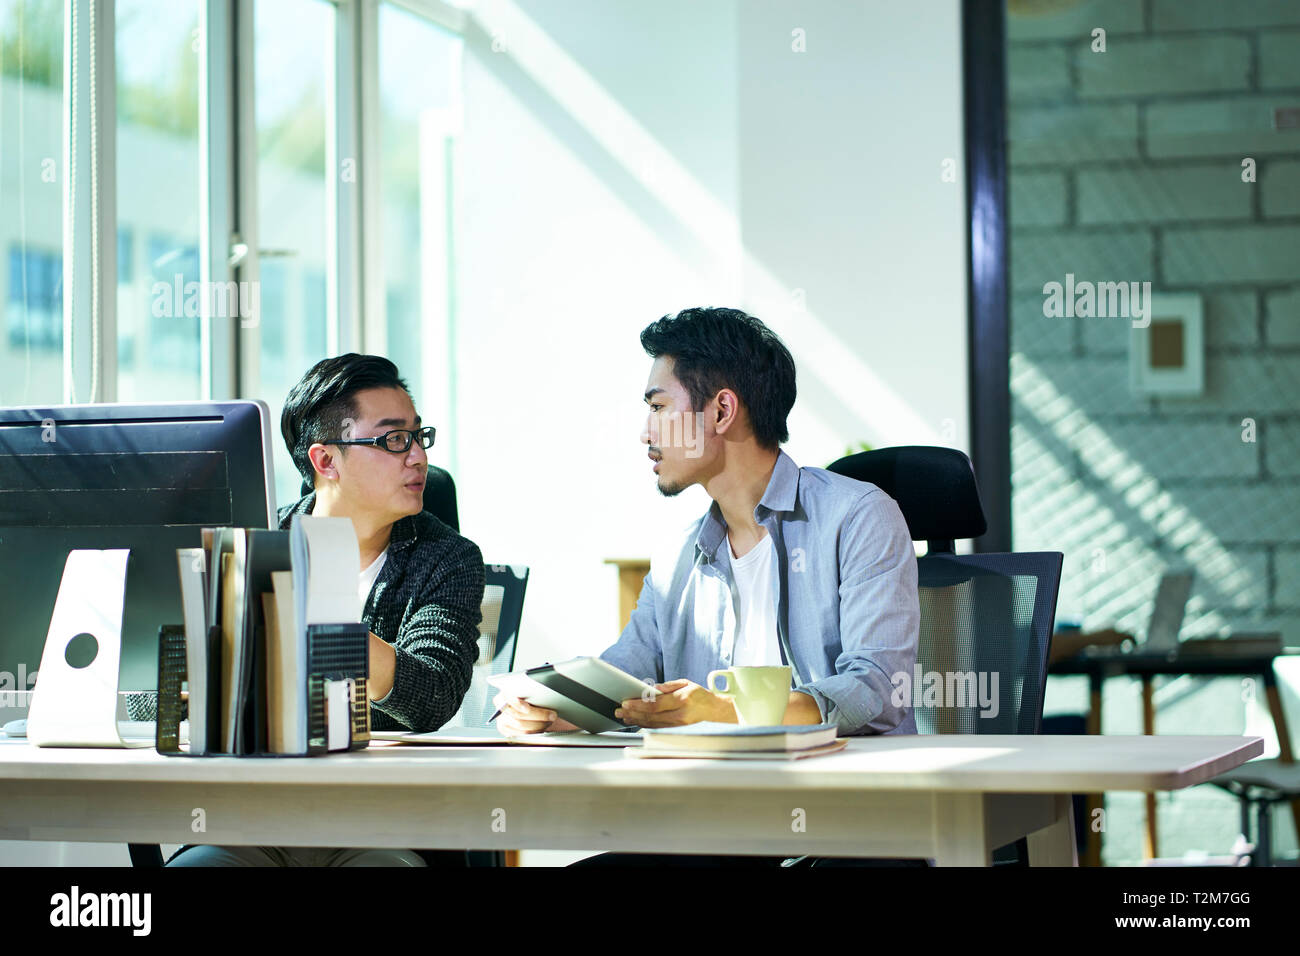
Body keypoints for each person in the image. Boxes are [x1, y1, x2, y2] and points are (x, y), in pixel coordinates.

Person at [491, 307, 921, 866]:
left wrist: (723, 710)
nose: (645, 431)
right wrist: (556, 709)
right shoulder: (680, 555)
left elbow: (875, 691)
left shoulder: (858, 516)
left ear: (721, 409)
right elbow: (628, 677)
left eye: (658, 406)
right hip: (715, 829)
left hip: (848, 828)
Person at [167, 353, 485, 867]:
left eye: (418, 436)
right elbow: (147, 697)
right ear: (325, 461)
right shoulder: (253, 542)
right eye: (392, 439)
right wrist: (193, 682)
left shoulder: (446, 557)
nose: (417, 457)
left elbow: (432, 697)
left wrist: (320, 632)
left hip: (379, 825)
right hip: (249, 820)